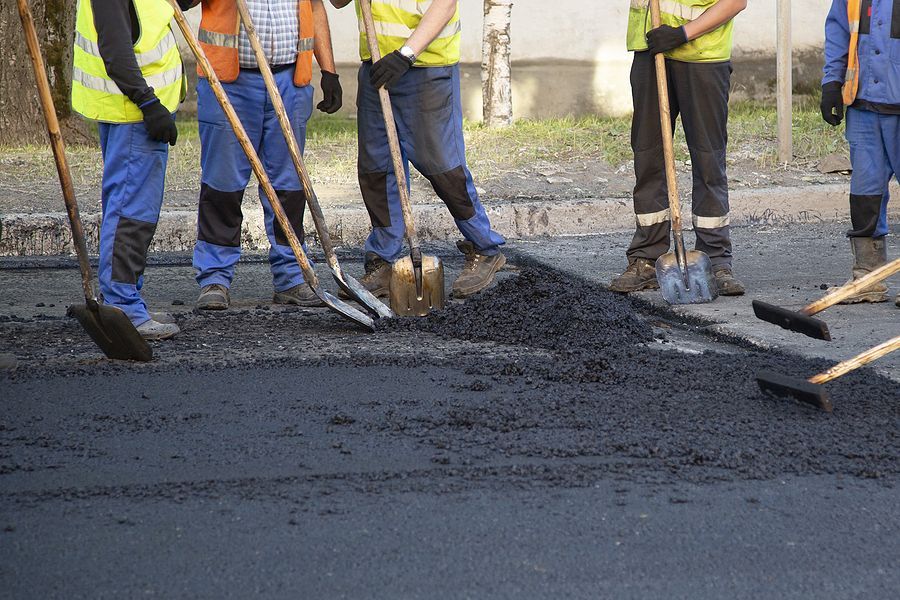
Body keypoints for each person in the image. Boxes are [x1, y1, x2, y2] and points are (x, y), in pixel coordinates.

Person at [329, 0, 507, 299]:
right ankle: (384, 261)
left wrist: (405, 54)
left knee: (442, 168)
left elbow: (445, 5)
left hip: (426, 68)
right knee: (376, 169)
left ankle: (485, 248)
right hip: (377, 66)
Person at [181, 0, 343, 310]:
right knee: (222, 184)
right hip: (229, 82)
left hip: (290, 81)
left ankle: (292, 276)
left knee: (289, 187)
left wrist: (329, 70)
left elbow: (317, 7)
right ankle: (215, 277)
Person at [610, 0, 747, 297]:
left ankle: (715, 259)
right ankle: (646, 258)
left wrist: (683, 33)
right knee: (648, 157)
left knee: (709, 160)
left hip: (703, 56)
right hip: (651, 50)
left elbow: (737, 1)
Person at [71, 0, 188, 339]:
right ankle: (122, 304)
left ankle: (127, 296)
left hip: (139, 111)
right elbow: (116, 51)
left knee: (134, 209)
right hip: (134, 113)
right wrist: (149, 103)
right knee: (130, 213)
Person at [821, 0, 899, 307]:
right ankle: (868, 276)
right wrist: (832, 81)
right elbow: (838, 30)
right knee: (865, 191)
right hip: (864, 101)